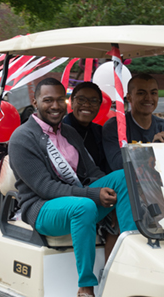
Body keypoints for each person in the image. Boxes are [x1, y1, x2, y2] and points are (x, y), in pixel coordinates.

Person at [8, 77, 137, 297]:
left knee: (121, 177)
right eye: (48, 100)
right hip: (41, 207)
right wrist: (92, 194)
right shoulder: (22, 138)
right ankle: (86, 290)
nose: (55, 106)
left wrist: (107, 189)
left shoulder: (67, 132)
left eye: (60, 99)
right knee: (85, 206)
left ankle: (129, 266)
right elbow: (46, 188)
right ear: (35, 101)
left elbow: (92, 172)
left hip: (75, 199)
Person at [63, 81, 117, 260]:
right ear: (71, 100)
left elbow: (104, 167)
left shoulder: (98, 132)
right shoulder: (60, 130)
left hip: (96, 188)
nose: (87, 104)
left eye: (93, 101)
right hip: (70, 192)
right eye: (82, 99)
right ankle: (110, 270)